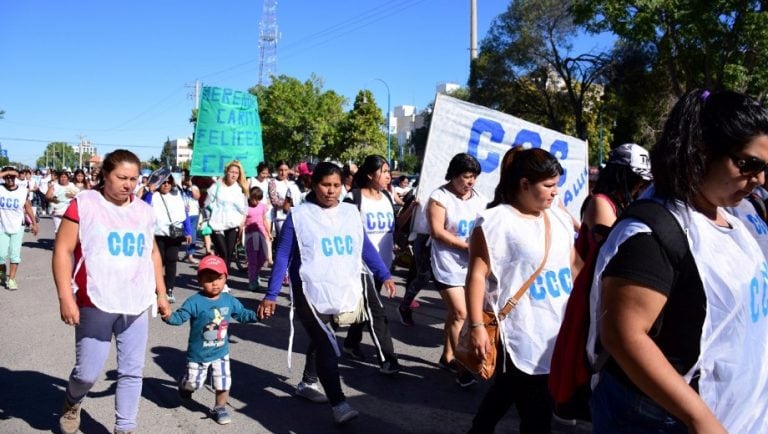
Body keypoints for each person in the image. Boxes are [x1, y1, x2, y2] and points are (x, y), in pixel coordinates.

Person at [587, 89, 768, 433]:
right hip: (666, 417)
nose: (759, 180)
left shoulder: (729, 219)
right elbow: (624, 336)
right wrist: (701, 419)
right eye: (748, 164)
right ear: (699, 152)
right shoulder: (653, 233)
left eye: (765, 168)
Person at [258, 162, 396, 424]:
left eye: (336, 185)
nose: (331, 191)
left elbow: (364, 245)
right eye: (325, 185)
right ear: (313, 184)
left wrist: (384, 274)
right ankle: (339, 403)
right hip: (308, 290)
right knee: (328, 344)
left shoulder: (349, 212)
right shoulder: (298, 216)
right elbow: (283, 255)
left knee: (324, 338)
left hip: (339, 286)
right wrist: (271, 294)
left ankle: (308, 382)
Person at [53, 149, 170, 434]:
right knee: (87, 373)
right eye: (121, 177)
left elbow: (152, 253)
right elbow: (62, 250)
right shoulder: (85, 204)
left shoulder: (143, 210)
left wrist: (161, 293)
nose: (128, 184)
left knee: (132, 371)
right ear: (105, 174)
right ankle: (72, 399)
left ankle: (124, 427)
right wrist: (65, 297)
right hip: (95, 300)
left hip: (136, 300)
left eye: (133, 178)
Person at [465, 148, 579, 433]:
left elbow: (573, 265)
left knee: (507, 389)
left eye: (557, 185)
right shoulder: (495, 221)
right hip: (521, 331)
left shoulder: (560, 219)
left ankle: (478, 429)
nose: (555, 193)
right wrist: (477, 325)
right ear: (524, 184)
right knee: (536, 413)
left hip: (557, 327)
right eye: (549, 186)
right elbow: (476, 276)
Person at [162, 255, 259, 425]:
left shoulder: (229, 300)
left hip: (221, 352)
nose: (214, 283)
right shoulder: (194, 302)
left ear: (225, 278)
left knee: (223, 381)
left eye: (219, 278)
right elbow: (180, 317)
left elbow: (242, 315)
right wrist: (169, 316)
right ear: (199, 280)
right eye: (209, 279)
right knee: (193, 383)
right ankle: (184, 384)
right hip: (198, 354)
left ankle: (219, 407)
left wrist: (257, 316)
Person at [426, 152, 487, 387]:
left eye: (474, 177)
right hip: (446, 264)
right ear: (454, 175)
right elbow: (437, 231)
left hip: (471, 265)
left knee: (454, 314)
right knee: (461, 313)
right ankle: (462, 368)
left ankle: (447, 356)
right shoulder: (439, 197)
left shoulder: (479, 198)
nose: (470, 182)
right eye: (466, 176)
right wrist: (466, 246)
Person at [340, 155, 402, 373]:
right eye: (384, 171)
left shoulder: (386, 196)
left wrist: (412, 209)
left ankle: (350, 343)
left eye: (388, 171)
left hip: (382, 265)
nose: (388, 175)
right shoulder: (353, 198)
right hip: (360, 267)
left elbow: (394, 229)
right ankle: (388, 359)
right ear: (369, 174)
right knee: (376, 310)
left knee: (366, 305)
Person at [144, 174, 193, 304]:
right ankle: (157, 289)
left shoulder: (177, 196)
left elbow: (185, 215)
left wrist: (188, 232)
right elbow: (144, 207)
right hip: (157, 235)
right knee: (158, 263)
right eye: (163, 182)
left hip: (174, 235)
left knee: (171, 261)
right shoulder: (153, 195)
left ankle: (169, 289)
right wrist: (150, 192)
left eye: (168, 182)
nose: (166, 184)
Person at [204, 161, 248, 273]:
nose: (234, 175)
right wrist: (208, 219)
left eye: (236, 173)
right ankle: (219, 276)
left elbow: (244, 209)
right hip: (216, 224)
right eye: (231, 172)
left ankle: (223, 280)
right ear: (226, 172)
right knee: (223, 252)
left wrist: (242, 223)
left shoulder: (239, 189)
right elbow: (206, 205)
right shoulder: (216, 187)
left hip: (233, 224)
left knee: (229, 254)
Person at [0, 167, 38, 290]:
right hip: (2, 226)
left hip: (17, 226)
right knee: (1, 255)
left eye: (12, 176)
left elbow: (27, 207)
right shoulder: (0, 188)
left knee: (14, 255)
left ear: (16, 178)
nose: (9, 179)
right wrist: (7, 172)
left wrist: (34, 223)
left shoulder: (22, 191)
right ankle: (2, 273)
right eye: (7, 176)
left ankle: (11, 279)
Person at [244, 186, 272, 291]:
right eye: (253, 198)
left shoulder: (262, 207)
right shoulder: (245, 207)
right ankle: (252, 281)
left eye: (257, 199)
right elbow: (242, 221)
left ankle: (255, 273)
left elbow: (264, 219)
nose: (255, 201)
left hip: (261, 234)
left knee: (263, 257)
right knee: (252, 260)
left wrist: (268, 232)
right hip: (250, 235)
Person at [268, 160, 302, 239]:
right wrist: (288, 202)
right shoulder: (273, 182)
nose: (283, 173)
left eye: (286, 170)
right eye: (281, 170)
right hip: (281, 217)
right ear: (277, 170)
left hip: (294, 216)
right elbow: (274, 201)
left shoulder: (292, 183)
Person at [181, 169, 201, 264]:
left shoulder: (194, 187)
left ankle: (190, 255)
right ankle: (186, 253)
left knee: (192, 234)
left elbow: (197, 196)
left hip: (192, 214)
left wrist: (190, 186)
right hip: (180, 214)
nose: (182, 177)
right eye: (181, 175)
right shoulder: (176, 188)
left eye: (184, 175)